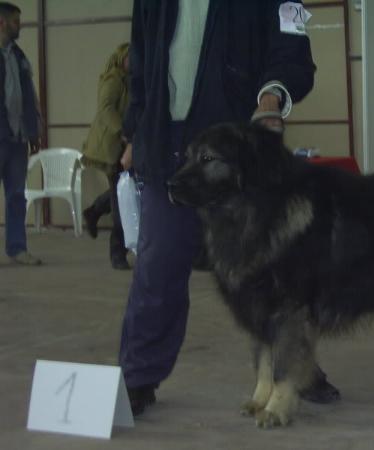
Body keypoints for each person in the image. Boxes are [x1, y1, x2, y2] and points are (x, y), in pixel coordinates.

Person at [119, 0, 340, 416]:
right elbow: (141, 65)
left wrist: (273, 94)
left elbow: (291, 51)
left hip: (238, 153)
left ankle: (297, 368)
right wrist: (134, 131)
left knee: (273, 274)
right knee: (158, 265)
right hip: (168, 148)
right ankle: (136, 377)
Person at [81, 43, 130, 270]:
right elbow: (106, 109)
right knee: (120, 201)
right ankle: (117, 252)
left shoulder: (133, 80)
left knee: (121, 191)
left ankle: (94, 211)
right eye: (131, 58)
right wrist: (123, 132)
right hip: (112, 146)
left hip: (126, 145)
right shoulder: (114, 79)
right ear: (122, 59)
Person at [0, 2, 41, 266]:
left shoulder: (19, 56)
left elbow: (30, 96)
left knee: (16, 195)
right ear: (2, 22)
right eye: (15, 21)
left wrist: (34, 132)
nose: (20, 26)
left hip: (17, 140)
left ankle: (17, 248)